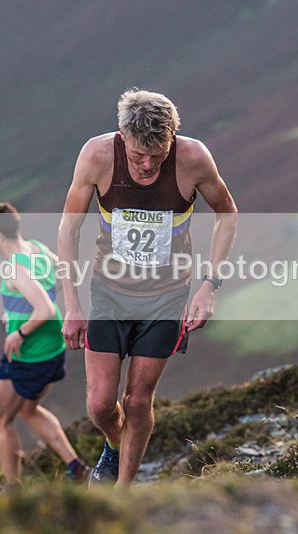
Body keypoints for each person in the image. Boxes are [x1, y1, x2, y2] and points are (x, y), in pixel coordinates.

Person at [58, 89, 238, 486]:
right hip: (109, 292)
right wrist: (71, 304)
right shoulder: (98, 155)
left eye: (158, 153)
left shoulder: (192, 158)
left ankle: (122, 492)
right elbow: (69, 228)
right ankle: (114, 443)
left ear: (172, 138)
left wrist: (209, 286)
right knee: (101, 404)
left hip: (167, 297)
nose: (148, 164)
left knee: (137, 401)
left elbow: (227, 214)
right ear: (123, 138)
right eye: (139, 154)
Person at [0, 202, 89, 485]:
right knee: (27, 409)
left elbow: (46, 310)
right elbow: (66, 278)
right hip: (53, 349)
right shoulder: (37, 250)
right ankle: (75, 466)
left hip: (28, 355)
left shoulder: (15, 268)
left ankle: (13, 490)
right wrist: (17, 312)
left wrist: (20, 332)